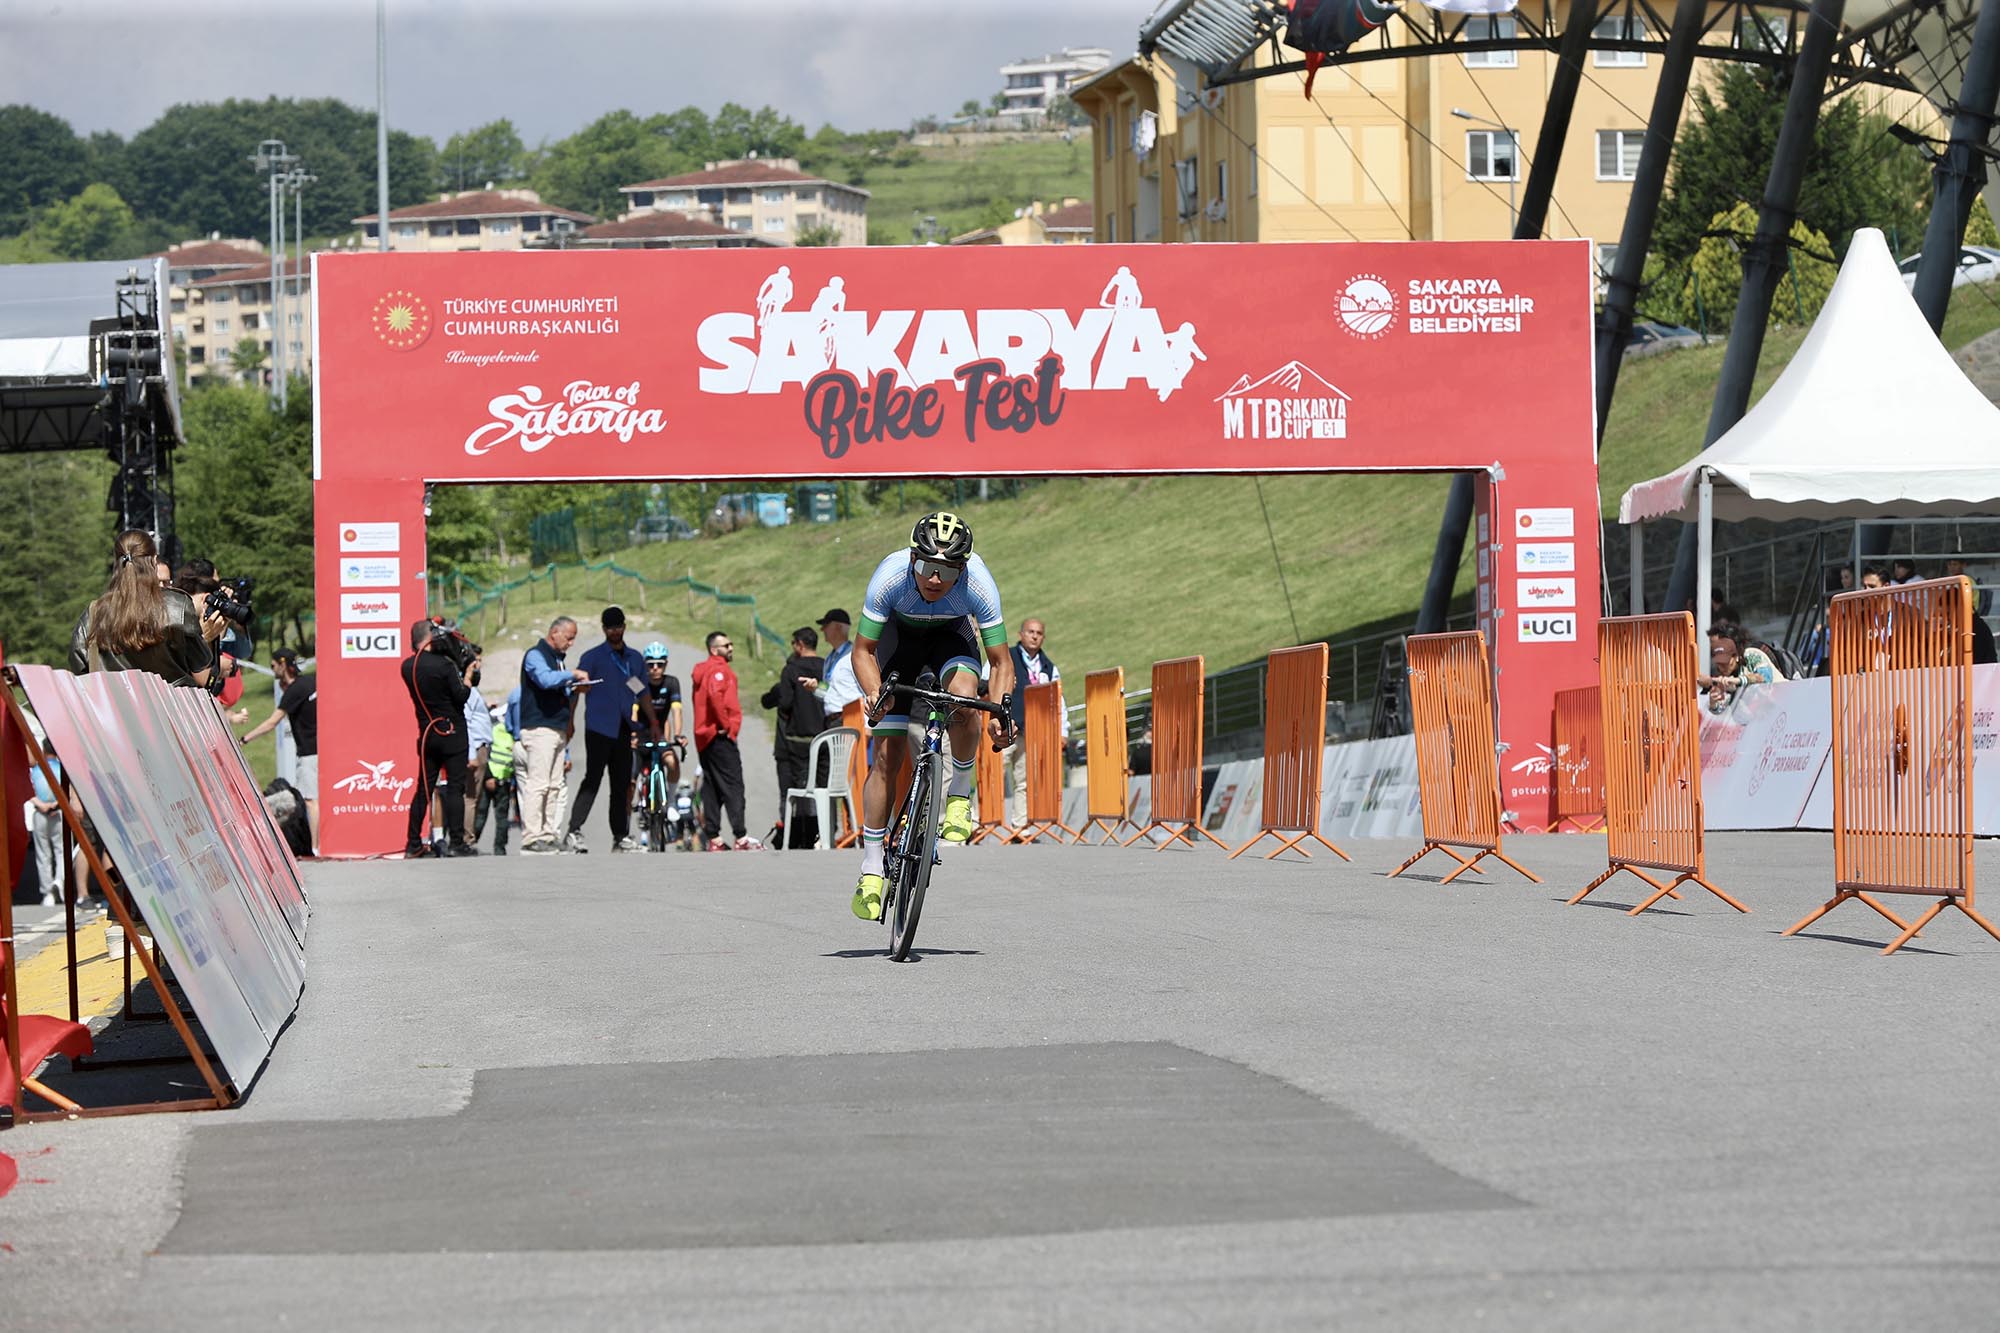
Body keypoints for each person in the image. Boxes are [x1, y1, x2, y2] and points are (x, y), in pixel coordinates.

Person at [849, 511, 1015, 921]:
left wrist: (1000, 710)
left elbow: (1001, 661)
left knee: (964, 698)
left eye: (946, 569)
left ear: (962, 568)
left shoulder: (979, 584)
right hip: (896, 643)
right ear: (911, 560)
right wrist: (875, 692)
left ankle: (959, 792)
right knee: (888, 756)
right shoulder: (889, 578)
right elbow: (862, 651)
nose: (935, 578)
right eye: (926, 566)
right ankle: (871, 869)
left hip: (950, 637)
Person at [69, 529, 226, 688]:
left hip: (114, 710)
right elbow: (200, 663)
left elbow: (79, 666)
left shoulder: (93, 614)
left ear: (116, 563)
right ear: (154, 561)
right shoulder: (178, 606)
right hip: (169, 709)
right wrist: (206, 637)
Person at [563, 607, 659, 853]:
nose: (615, 631)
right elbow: (576, 690)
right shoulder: (593, 657)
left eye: (618, 627)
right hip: (598, 727)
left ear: (624, 627)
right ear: (604, 629)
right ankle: (574, 830)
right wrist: (571, 721)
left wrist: (654, 722)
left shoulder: (634, 659)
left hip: (624, 728)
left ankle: (620, 836)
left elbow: (641, 691)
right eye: (610, 627)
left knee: (621, 784)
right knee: (592, 779)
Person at [400, 620, 479, 856]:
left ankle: (413, 843)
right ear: (431, 637)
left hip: (427, 734)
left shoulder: (407, 667)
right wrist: (467, 675)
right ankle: (456, 842)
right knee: (455, 788)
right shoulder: (444, 666)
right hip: (452, 732)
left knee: (423, 790)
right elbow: (461, 696)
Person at [516, 616, 590, 853]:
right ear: (555, 632)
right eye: (569, 638)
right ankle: (531, 835)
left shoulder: (559, 661)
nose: (571, 643)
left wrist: (576, 688)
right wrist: (572, 675)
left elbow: (559, 687)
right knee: (538, 784)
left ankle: (548, 834)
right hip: (539, 729)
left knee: (555, 785)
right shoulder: (535, 655)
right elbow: (545, 680)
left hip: (557, 729)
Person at [239, 648, 318, 850]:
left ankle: (314, 847)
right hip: (318, 748)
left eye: (273, 665)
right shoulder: (310, 682)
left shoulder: (294, 691)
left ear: (282, 665)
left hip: (309, 753)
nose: (272, 669)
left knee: (310, 801)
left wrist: (245, 738)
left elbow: (272, 723)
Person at [761, 626, 828, 847]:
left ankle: (794, 835)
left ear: (799, 645)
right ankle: (820, 833)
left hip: (796, 741)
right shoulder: (826, 666)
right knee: (819, 789)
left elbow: (786, 702)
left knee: (793, 789)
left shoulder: (791, 669)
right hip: (825, 739)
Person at [692, 631, 756, 850]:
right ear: (714, 650)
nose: (731, 648)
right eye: (726, 645)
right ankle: (741, 837)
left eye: (731, 644)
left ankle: (714, 837)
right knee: (733, 785)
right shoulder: (717, 670)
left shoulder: (703, 670)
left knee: (711, 786)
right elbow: (714, 695)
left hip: (705, 738)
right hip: (719, 735)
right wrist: (727, 725)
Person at [1004, 617, 1061, 831]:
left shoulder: (1048, 666)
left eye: (1039, 633)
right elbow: (985, 682)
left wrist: (1061, 731)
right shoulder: (1007, 657)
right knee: (993, 776)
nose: (1035, 636)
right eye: (1030, 632)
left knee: (1025, 779)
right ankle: (977, 823)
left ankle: (1020, 825)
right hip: (1006, 727)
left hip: (1031, 731)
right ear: (1021, 634)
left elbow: (1059, 699)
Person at [1697, 624, 1784, 715]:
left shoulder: (1751, 655)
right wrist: (1713, 703)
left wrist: (1737, 681)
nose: (1721, 667)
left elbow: (1764, 677)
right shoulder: (1727, 675)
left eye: (1725, 662)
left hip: (1783, 705)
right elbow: (1721, 708)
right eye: (1719, 663)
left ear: (1736, 656)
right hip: (1764, 718)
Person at [475, 700, 517, 855]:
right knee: (481, 815)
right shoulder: (496, 732)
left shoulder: (508, 733)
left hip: (503, 782)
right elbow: (487, 757)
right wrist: (488, 777)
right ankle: (472, 842)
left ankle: (500, 848)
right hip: (491, 780)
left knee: (501, 819)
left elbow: (511, 759)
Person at [26, 747, 62, 906]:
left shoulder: (36, 769)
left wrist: (41, 805)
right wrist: (56, 804)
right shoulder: (61, 767)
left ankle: (48, 892)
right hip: (58, 811)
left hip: (40, 812)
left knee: (43, 854)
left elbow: (27, 789)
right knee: (61, 851)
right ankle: (60, 882)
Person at [462, 674, 495, 848]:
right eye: (475, 665)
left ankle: (466, 836)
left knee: (473, 796)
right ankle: (467, 838)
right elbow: (465, 722)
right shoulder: (467, 692)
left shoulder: (473, 692)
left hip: (480, 747)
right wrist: (471, 753)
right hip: (476, 747)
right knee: (471, 797)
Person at [814, 608, 863, 721]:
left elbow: (866, 690)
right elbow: (826, 690)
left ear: (838, 626)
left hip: (851, 717)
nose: (822, 629)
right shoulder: (829, 659)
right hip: (831, 719)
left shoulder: (855, 655)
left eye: (825, 625)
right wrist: (815, 688)